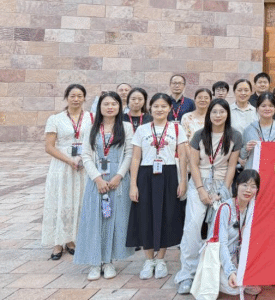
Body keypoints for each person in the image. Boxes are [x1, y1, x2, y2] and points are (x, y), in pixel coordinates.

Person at [175, 98, 243, 295]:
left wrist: (223, 192)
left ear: (227, 114)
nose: (218, 115)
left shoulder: (235, 136)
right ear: (209, 114)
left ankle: (215, 274)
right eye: (214, 112)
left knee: (219, 230)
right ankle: (187, 274)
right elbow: (193, 164)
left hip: (222, 185)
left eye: (222, 111)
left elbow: (232, 166)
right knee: (193, 226)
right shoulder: (199, 134)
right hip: (200, 183)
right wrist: (201, 190)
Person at [127, 93, 188, 280]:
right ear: (150, 108)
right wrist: (133, 184)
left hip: (169, 174)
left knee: (166, 215)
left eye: (163, 106)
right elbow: (135, 158)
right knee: (145, 215)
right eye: (156, 106)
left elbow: (183, 157)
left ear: (170, 108)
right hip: (146, 175)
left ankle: (161, 259)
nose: (159, 109)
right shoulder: (142, 129)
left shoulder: (177, 128)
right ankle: (148, 259)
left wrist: (183, 181)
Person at [74, 92, 134, 281]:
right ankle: (94, 262)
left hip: (118, 181)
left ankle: (108, 261)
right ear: (99, 107)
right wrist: (97, 179)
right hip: (96, 180)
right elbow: (86, 155)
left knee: (114, 220)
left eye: (114, 104)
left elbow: (129, 153)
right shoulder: (91, 127)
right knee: (95, 219)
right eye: (106, 104)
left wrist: (119, 176)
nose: (110, 107)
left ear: (119, 107)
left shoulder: (126, 127)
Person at [42, 84, 92, 260]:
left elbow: (94, 141)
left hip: (83, 164)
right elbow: (49, 147)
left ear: (84, 98)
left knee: (78, 201)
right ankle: (57, 242)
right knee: (60, 202)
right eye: (72, 96)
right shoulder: (55, 119)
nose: (76, 99)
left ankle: (71, 240)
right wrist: (69, 160)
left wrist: (82, 159)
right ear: (66, 97)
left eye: (79, 96)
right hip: (62, 166)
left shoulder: (91, 118)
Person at [217, 169, 262, 297]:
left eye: (253, 186)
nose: (248, 190)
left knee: (249, 286)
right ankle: (216, 278)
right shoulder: (225, 208)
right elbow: (221, 244)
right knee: (234, 289)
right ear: (237, 185)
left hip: (237, 256)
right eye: (245, 185)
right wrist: (230, 272)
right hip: (221, 258)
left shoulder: (252, 209)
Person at [242, 92, 275, 165]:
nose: (267, 109)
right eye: (263, 106)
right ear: (257, 108)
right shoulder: (249, 129)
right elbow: (242, 156)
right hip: (254, 169)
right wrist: (246, 149)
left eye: (271, 106)